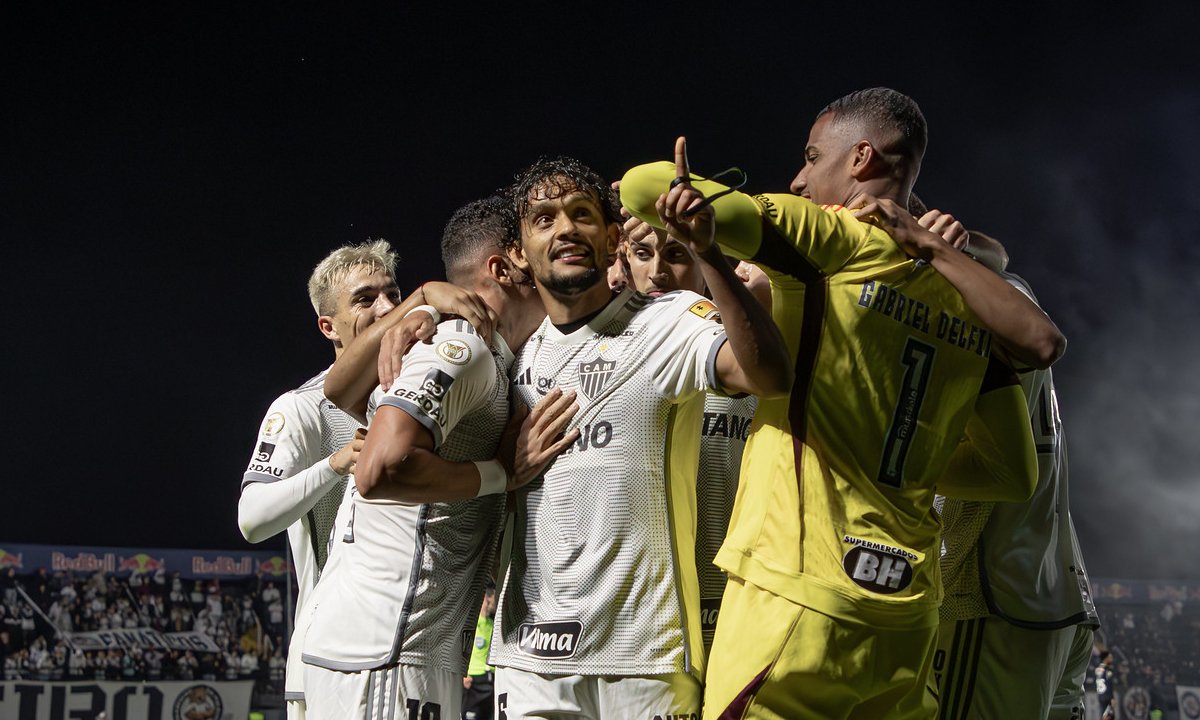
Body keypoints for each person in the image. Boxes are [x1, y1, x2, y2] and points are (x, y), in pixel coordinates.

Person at [621, 89, 1043, 719]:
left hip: (796, 600)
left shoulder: (828, 237)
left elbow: (641, 185)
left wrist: (703, 219)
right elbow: (1014, 474)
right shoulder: (969, 295)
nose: (799, 176)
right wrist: (889, 451)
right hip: (906, 619)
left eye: (813, 156)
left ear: (861, 158)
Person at [488, 155, 792, 719]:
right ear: (519, 254)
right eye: (545, 219)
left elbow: (767, 376)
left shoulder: (668, 320)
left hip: (642, 658)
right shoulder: (510, 352)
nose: (566, 228)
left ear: (611, 240)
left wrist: (708, 251)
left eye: (582, 214)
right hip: (528, 658)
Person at [299, 197, 575, 720]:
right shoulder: (463, 345)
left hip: (403, 646)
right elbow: (380, 469)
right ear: (508, 264)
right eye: (538, 244)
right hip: (384, 648)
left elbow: (338, 390)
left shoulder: (482, 348)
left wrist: (419, 303)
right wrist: (503, 474)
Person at [891, 226, 1098, 720]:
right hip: (1051, 586)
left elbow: (1044, 343)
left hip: (987, 596)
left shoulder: (952, 301)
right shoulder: (1005, 291)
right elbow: (997, 256)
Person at [237, 239, 400, 718]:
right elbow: (252, 520)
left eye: (393, 293)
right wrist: (335, 464)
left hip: (415, 650)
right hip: (328, 664)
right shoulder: (302, 409)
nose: (388, 307)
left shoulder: (429, 392)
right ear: (328, 326)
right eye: (365, 299)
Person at [619, 219, 761, 653]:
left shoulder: (747, 351)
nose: (658, 272)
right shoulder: (607, 344)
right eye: (642, 254)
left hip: (735, 590)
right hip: (647, 601)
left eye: (677, 254)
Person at [462, 586, 497, 720]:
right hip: (473, 678)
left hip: (490, 678)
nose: (490, 605)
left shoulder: (492, 624)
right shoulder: (471, 624)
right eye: (489, 601)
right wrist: (464, 674)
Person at [1095, 651, 1116, 719]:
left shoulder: (1098, 669)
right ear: (1105, 658)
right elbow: (1108, 684)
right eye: (1110, 657)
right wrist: (1112, 697)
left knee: (1103, 714)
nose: (1111, 659)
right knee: (1109, 716)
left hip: (1101, 695)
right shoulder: (1107, 670)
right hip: (1107, 696)